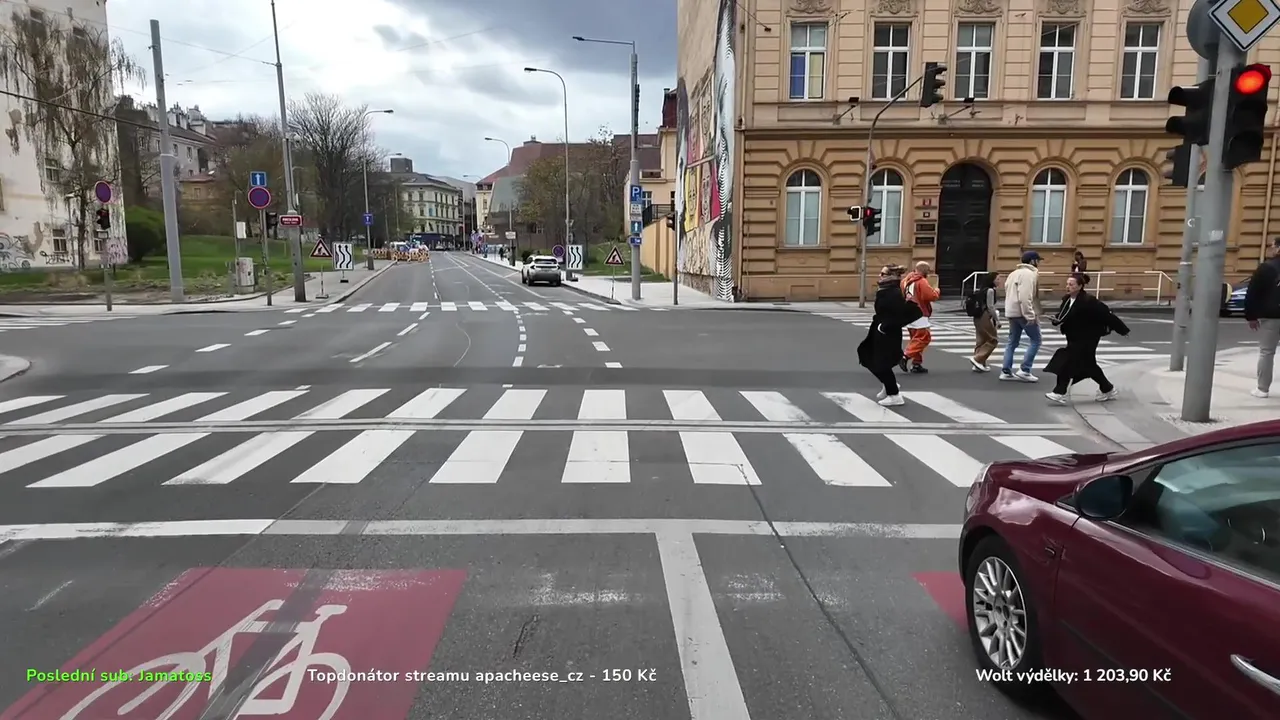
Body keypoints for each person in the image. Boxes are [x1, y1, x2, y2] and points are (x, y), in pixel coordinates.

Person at [1043, 273, 1129, 405]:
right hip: (1074, 337)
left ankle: (1059, 392)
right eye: (1067, 284)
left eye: (1071, 284)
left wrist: (1122, 329)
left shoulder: (1088, 301)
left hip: (1088, 337)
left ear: (1080, 286)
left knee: (1066, 359)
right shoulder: (1067, 299)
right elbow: (1063, 315)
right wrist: (1055, 319)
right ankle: (1108, 389)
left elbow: (1106, 314)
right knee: (1089, 365)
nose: (1068, 286)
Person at [859, 265, 922, 406]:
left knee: (881, 363)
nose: (879, 275)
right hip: (879, 329)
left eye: (883, 273)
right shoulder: (885, 290)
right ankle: (888, 385)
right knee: (866, 355)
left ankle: (894, 394)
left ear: (890, 276)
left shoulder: (893, 293)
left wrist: (886, 325)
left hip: (887, 333)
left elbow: (906, 313)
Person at [1243, 237, 1280, 398]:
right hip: (1271, 314)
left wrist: (1251, 316)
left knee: (1267, 352)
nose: (1271, 248)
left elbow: (1253, 292)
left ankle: (1262, 388)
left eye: (1273, 246)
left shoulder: (1266, 268)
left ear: (1278, 248)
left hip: (1270, 315)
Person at [1000, 251, 1044, 382]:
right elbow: (1025, 297)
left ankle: (1006, 371)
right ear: (1032, 261)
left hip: (1012, 312)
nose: (1039, 263)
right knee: (1036, 340)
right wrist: (1030, 315)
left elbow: (1008, 292)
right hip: (1023, 313)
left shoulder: (1013, 273)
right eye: (1038, 260)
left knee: (1012, 342)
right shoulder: (1029, 274)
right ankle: (1025, 369)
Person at [899, 262, 940, 374]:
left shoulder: (905, 280)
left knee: (915, 339)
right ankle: (905, 356)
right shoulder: (921, 281)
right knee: (924, 338)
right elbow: (930, 296)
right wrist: (936, 291)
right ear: (925, 270)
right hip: (919, 313)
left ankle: (917, 363)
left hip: (908, 313)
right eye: (928, 270)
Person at [967, 271, 1001, 372]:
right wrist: (997, 320)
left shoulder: (982, 290)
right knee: (993, 339)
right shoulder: (990, 291)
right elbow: (990, 307)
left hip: (977, 316)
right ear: (992, 280)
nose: (999, 281)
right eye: (997, 279)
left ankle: (979, 364)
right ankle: (977, 359)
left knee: (981, 340)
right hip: (984, 316)